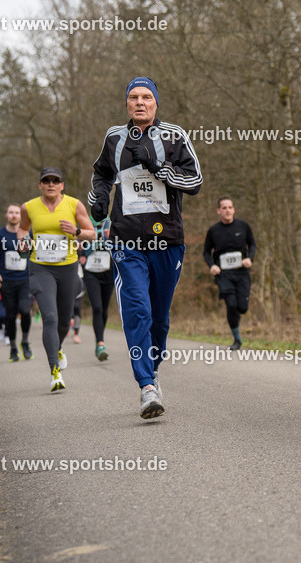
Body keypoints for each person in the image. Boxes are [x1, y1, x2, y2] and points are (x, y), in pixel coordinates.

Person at [88, 76, 202, 419]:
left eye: (146, 97)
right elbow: (101, 175)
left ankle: (152, 371)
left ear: (156, 103)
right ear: (127, 103)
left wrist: (159, 169)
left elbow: (194, 180)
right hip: (126, 241)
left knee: (159, 319)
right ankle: (147, 386)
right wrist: (100, 199)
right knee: (137, 308)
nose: (140, 102)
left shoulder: (174, 136)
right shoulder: (114, 138)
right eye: (134, 97)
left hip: (167, 240)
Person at [17, 168, 96, 392]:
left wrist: (76, 230)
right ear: (40, 185)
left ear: (62, 185)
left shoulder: (74, 205)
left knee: (63, 321)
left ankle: (58, 347)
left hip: (68, 268)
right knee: (49, 318)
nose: (51, 184)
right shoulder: (29, 207)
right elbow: (23, 229)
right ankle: (55, 372)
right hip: (40, 268)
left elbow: (92, 233)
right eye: (46, 180)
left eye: (55, 180)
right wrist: (22, 242)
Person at [203, 197, 256, 351]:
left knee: (242, 308)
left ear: (234, 210)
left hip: (242, 272)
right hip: (223, 274)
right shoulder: (213, 231)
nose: (227, 210)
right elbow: (206, 252)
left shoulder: (243, 226)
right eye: (224, 208)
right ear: (218, 211)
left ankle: (237, 317)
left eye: (230, 207)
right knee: (231, 304)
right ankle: (237, 340)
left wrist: (249, 258)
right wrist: (212, 265)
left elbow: (252, 244)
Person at [0, 204, 34, 361]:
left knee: (25, 311)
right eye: (11, 212)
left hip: (25, 280)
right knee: (10, 316)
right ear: (6, 215)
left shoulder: (28, 233)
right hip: (6, 282)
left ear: (21, 215)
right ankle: (13, 348)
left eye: (17, 212)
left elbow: (36, 253)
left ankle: (25, 342)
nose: (14, 215)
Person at [79, 216, 114, 361]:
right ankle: (100, 344)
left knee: (104, 309)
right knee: (97, 307)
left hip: (108, 270)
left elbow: (122, 242)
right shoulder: (85, 224)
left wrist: (111, 237)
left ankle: (99, 337)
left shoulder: (111, 224)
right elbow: (76, 242)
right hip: (91, 272)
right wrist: (80, 254)